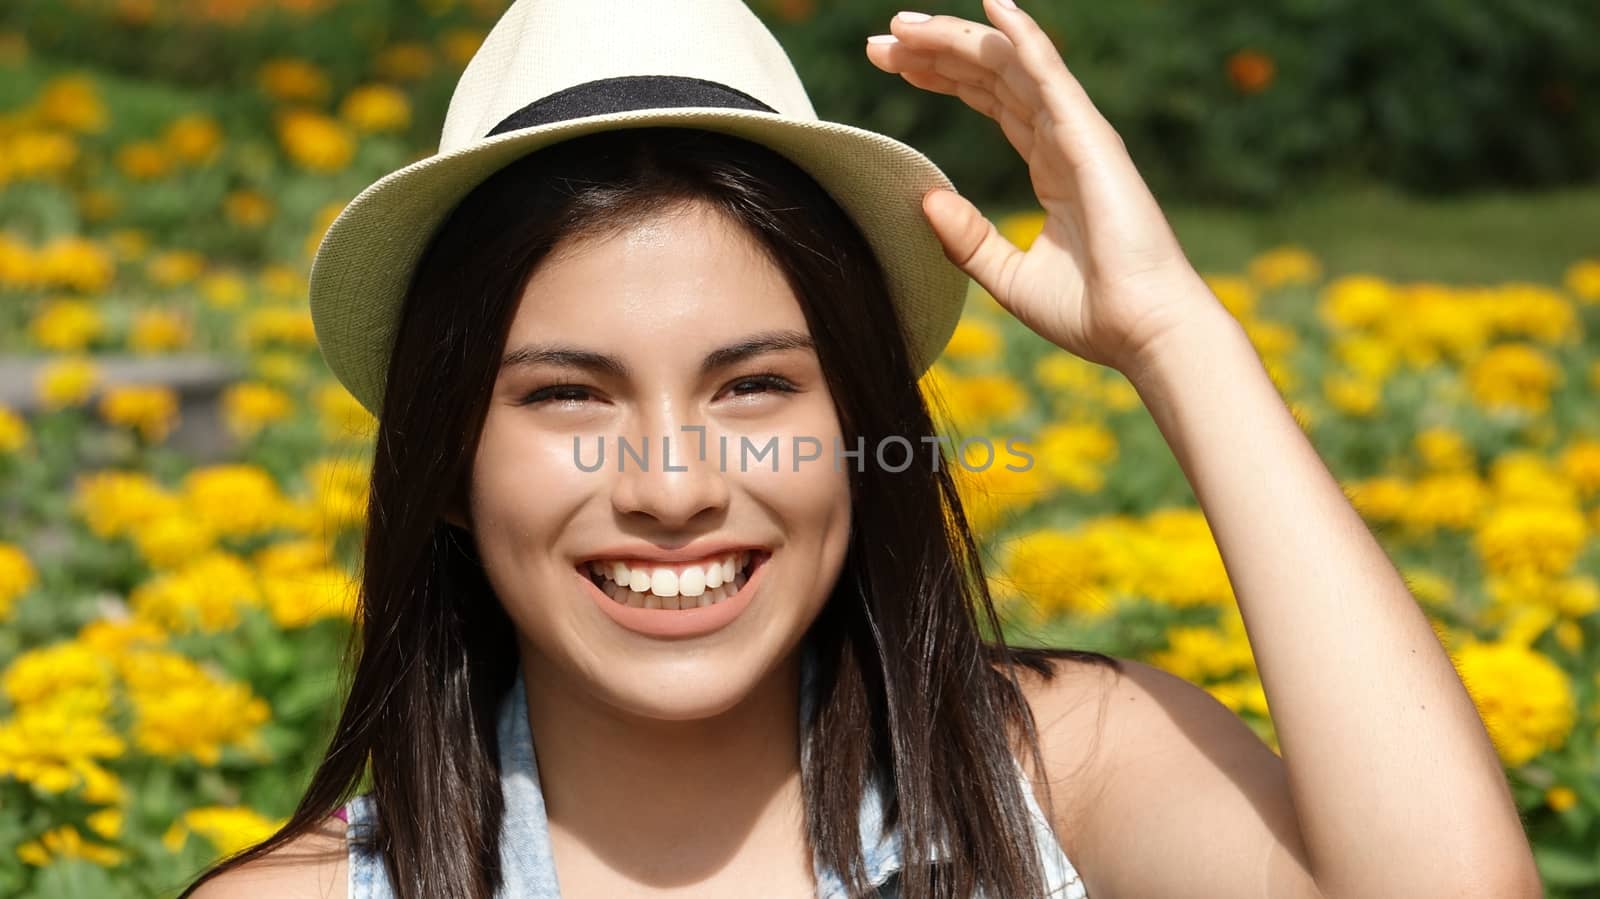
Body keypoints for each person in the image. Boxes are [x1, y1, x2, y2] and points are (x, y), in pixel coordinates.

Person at [182, 1, 1543, 897]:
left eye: (756, 387)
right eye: (567, 399)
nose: (673, 487)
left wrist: (1175, 336)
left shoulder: (1063, 779)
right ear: (451, 468)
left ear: (860, 435)